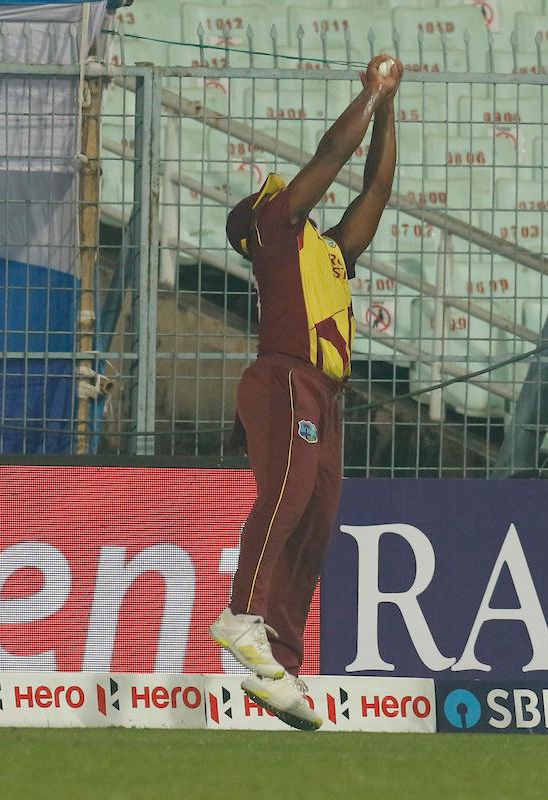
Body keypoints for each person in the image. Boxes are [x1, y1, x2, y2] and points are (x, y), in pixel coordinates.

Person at [209, 54, 403, 731]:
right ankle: (241, 616)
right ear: (255, 221)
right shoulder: (270, 234)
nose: (285, 193)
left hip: (323, 391)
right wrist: (370, 92)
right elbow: (329, 156)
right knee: (287, 497)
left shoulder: (325, 251)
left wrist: (388, 108)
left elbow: (375, 191)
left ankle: (279, 664)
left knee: (316, 524)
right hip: (286, 377)